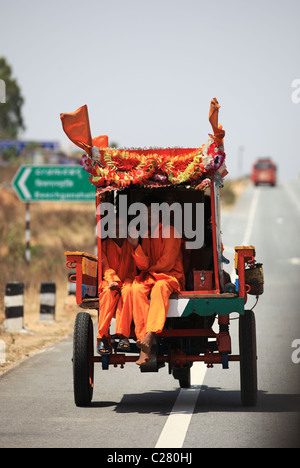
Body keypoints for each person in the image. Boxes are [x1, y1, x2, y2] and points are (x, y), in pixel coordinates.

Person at [128, 202, 185, 366]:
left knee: (160, 288)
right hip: (151, 276)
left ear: (161, 215)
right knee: (136, 288)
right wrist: (136, 246)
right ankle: (143, 342)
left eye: (152, 214)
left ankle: (150, 335)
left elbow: (167, 264)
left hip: (169, 278)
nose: (148, 217)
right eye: (145, 214)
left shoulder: (171, 232)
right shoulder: (145, 235)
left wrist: (149, 270)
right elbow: (143, 265)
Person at [97, 219, 136, 356]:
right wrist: (113, 280)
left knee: (129, 291)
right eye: (115, 226)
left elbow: (135, 268)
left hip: (127, 281)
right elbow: (105, 267)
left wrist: (125, 283)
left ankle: (123, 335)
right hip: (108, 282)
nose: (118, 230)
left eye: (121, 226)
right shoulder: (104, 246)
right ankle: (102, 336)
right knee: (108, 294)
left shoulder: (130, 245)